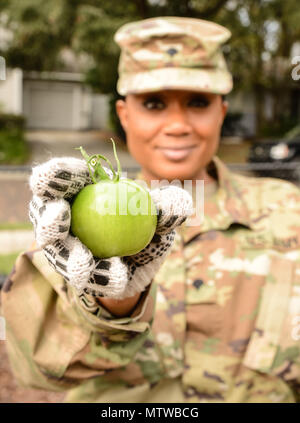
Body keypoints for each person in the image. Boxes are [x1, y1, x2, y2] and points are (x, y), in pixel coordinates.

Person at [1, 16, 300, 403]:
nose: (177, 125)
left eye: (197, 102)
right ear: (124, 115)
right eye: (154, 104)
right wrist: (112, 301)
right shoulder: (70, 224)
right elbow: (35, 369)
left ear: (221, 113)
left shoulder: (288, 212)